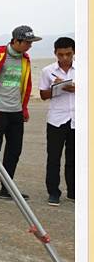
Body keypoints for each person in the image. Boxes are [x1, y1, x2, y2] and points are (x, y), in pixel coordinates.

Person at [0, 25, 42, 203]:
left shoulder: (25, 59)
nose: (30, 46)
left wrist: (24, 108)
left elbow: (26, 85)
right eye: (27, 42)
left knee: (14, 151)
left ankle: (6, 188)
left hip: (16, 113)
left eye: (31, 42)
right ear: (16, 41)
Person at [38, 37, 75, 207]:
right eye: (61, 54)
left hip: (77, 119)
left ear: (74, 52)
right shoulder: (47, 71)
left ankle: (73, 191)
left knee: (74, 158)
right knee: (53, 158)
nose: (65, 58)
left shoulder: (83, 69)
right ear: (55, 53)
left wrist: (72, 87)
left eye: (68, 54)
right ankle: (53, 192)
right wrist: (57, 88)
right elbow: (43, 95)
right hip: (56, 120)